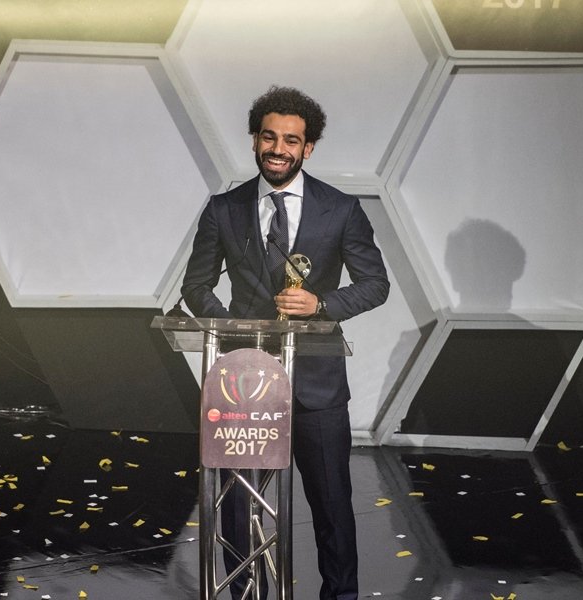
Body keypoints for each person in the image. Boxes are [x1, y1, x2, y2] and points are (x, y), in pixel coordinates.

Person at [181, 85, 390, 600]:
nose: (278, 148)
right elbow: (195, 287)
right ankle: (245, 594)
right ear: (255, 140)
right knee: (237, 505)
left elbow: (375, 284)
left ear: (308, 148)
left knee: (332, 506)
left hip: (317, 382)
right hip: (245, 384)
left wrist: (321, 305)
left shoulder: (340, 210)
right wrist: (232, 329)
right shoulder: (224, 209)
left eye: (291, 140)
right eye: (269, 137)